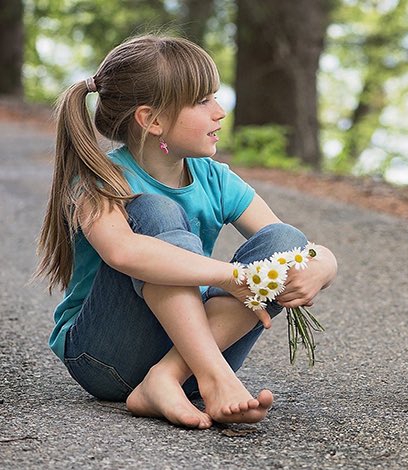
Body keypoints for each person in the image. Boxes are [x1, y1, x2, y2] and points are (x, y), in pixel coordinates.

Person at [36, 35, 337, 429]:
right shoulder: (100, 180)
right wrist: (231, 276)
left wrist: (322, 266)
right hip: (106, 357)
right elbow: (124, 253)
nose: (220, 112)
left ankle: (167, 377)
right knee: (154, 211)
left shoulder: (216, 179)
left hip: (190, 356)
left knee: (285, 240)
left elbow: (295, 246)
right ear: (153, 120)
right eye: (202, 101)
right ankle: (213, 377)